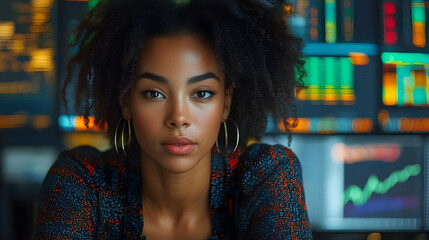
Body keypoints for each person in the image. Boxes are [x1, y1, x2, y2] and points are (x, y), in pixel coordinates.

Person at [33, 0, 312, 239]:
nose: (178, 117)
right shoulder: (82, 181)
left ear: (225, 102)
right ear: (126, 100)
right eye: (154, 93)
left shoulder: (267, 175)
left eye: (202, 93)